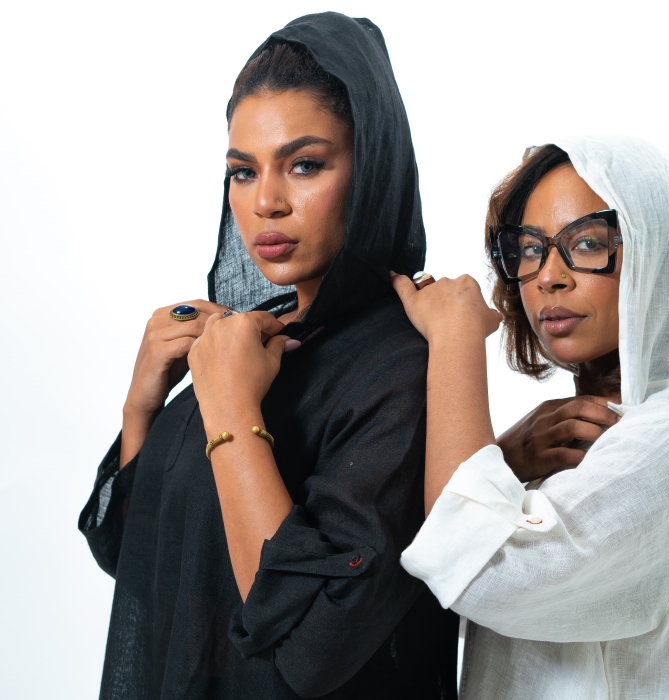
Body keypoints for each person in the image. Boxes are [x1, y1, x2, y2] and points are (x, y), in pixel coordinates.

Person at [79, 13, 458, 700]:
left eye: (305, 165)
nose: (266, 203)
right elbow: (144, 564)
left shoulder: (406, 368)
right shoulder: (248, 343)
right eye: (242, 172)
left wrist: (228, 406)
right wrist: (142, 407)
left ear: (372, 171)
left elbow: (311, 647)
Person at [393, 138, 669, 698]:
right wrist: (505, 460)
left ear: (660, 254)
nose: (548, 277)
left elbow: (484, 574)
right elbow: (430, 585)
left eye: (586, 243)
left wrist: (455, 338)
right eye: (530, 249)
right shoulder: (568, 438)